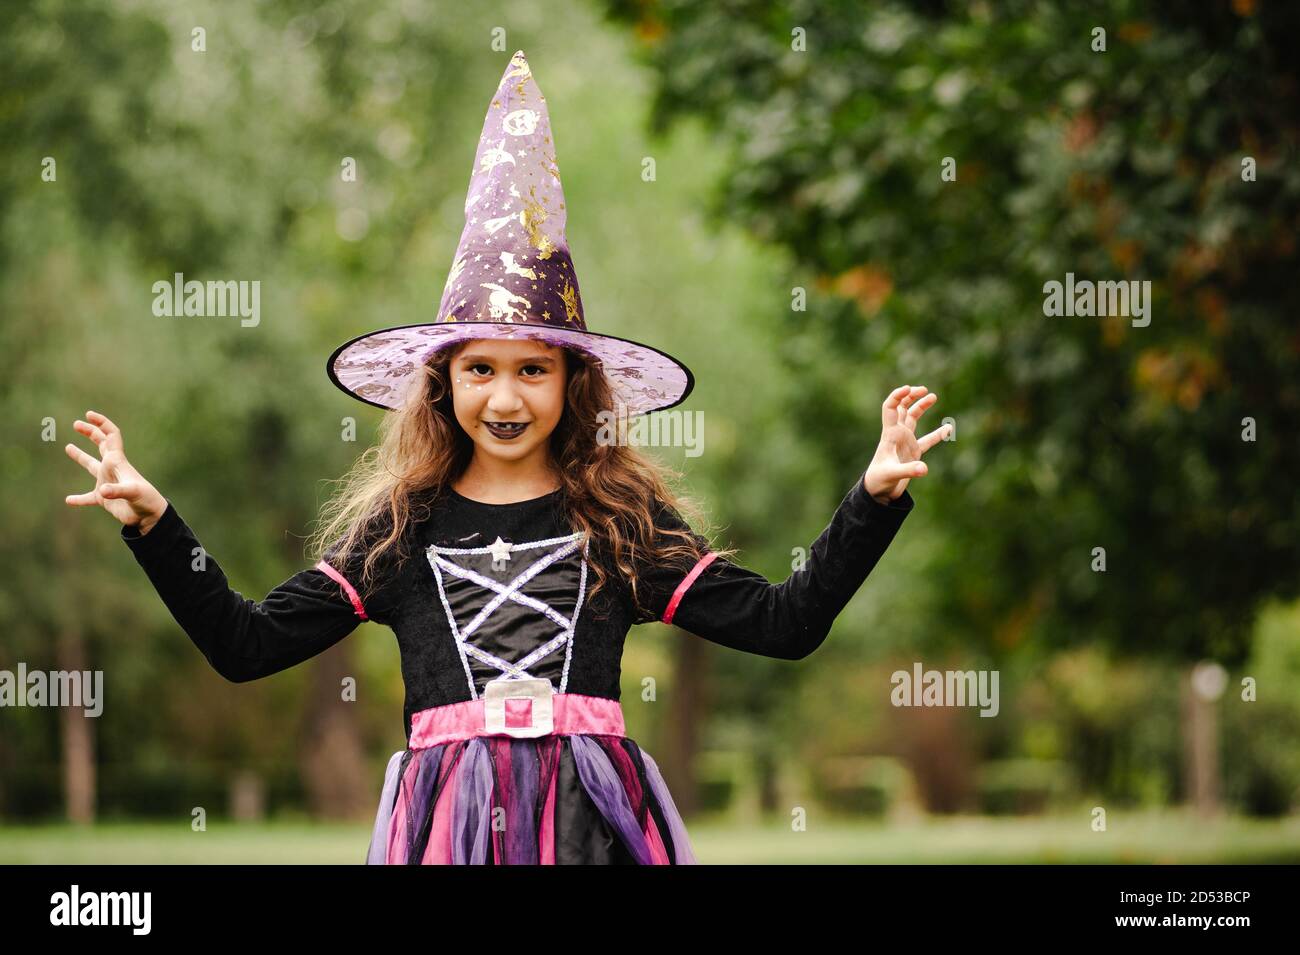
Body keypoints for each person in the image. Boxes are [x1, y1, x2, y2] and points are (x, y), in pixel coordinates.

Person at [63, 50, 951, 864]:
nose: (506, 396)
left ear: (575, 384)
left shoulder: (620, 526)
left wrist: (871, 498)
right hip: (449, 835)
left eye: (535, 369)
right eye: (480, 368)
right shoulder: (400, 534)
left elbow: (783, 624)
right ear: (443, 382)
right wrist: (155, 526)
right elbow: (244, 644)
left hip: (589, 829)